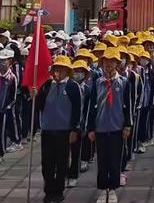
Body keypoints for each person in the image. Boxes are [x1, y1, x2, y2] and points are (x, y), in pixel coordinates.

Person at [87, 47, 132, 203]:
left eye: (113, 61)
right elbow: (91, 106)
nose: (109, 64)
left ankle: (112, 189)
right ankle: (102, 189)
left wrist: (128, 125)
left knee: (114, 160)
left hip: (117, 127)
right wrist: (90, 128)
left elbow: (128, 105)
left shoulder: (124, 82)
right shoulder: (97, 82)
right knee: (102, 160)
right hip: (100, 127)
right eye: (107, 61)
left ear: (117, 64)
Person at [37, 55, 81, 203]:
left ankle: (59, 190)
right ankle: (49, 191)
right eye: (56, 68)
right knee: (47, 163)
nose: (58, 72)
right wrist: (35, 94)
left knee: (61, 163)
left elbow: (77, 109)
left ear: (67, 71)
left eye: (62, 69)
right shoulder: (48, 85)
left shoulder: (72, 86)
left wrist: (74, 129)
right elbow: (40, 106)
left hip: (64, 131)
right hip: (48, 130)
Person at [66, 59, 91, 188]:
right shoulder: (68, 87)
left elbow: (88, 108)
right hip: (67, 124)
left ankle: (73, 176)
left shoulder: (87, 89)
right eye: (76, 71)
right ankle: (64, 174)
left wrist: (85, 124)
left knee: (76, 152)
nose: (78, 74)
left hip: (80, 124)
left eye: (81, 71)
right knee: (64, 153)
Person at [0, 49, 18, 162]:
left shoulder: (12, 78)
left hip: (3, 110)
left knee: (1, 131)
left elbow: (13, 97)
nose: (2, 63)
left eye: (4, 60)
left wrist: (7, 107)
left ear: (10, 61)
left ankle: (1, 153)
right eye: (0, 60)